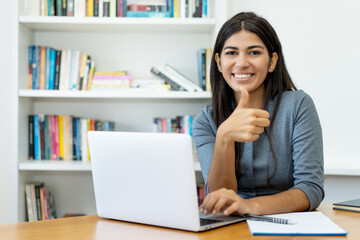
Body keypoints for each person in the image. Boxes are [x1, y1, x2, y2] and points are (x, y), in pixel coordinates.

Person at [193, 12, 324, 216]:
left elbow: (311, 189)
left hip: (286, 222)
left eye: (254, 52)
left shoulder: (299, 106)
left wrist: (251, 206)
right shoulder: (205, 120)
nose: (242, 63)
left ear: (272, 62)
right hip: (230, 225)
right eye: (231, 53)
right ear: (218, 62)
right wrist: (224, 136)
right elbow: (219, 198)